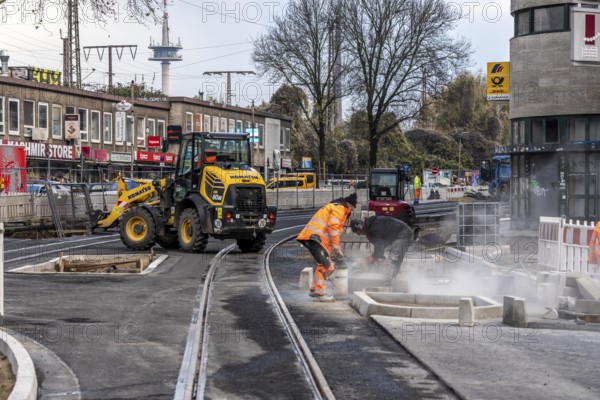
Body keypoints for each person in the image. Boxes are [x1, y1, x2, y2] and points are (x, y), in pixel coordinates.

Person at [296, 192, 357, 301]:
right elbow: (333, 227)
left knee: (323, 264)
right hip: (315, 239)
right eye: (352, 208)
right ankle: (320, 294)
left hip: (315, 239)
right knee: (328, 266)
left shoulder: (335, 207)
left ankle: (315, 289)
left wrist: (333, 248)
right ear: (350, 205)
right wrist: (336, 247)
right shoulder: (340, 208)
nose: (351, 211)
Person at [350, 215, 418, 285]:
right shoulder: (371, 226)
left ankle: (388, 283)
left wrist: (372, 258)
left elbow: (380, 246)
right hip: (396, 236)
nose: (361, 234)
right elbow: (380, 246)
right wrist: (379, 257)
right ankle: (395, 276)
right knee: (390, 257)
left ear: (360, 227)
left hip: (403, 233)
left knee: (393, 259)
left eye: (359, 233)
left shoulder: (374, 228)